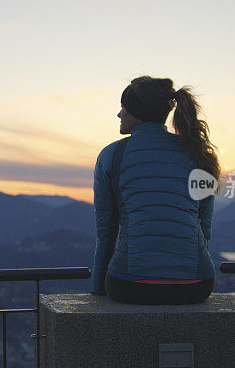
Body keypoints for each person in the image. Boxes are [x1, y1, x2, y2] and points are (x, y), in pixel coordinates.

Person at [91, 75, 221, 305]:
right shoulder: (198, 154)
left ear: (137, 112)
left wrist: (98, 290)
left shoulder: (112, 156)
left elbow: (107, 232)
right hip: (196, 286)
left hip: (129, 285)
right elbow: (204, 226)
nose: (119, 114)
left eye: (123, 108)